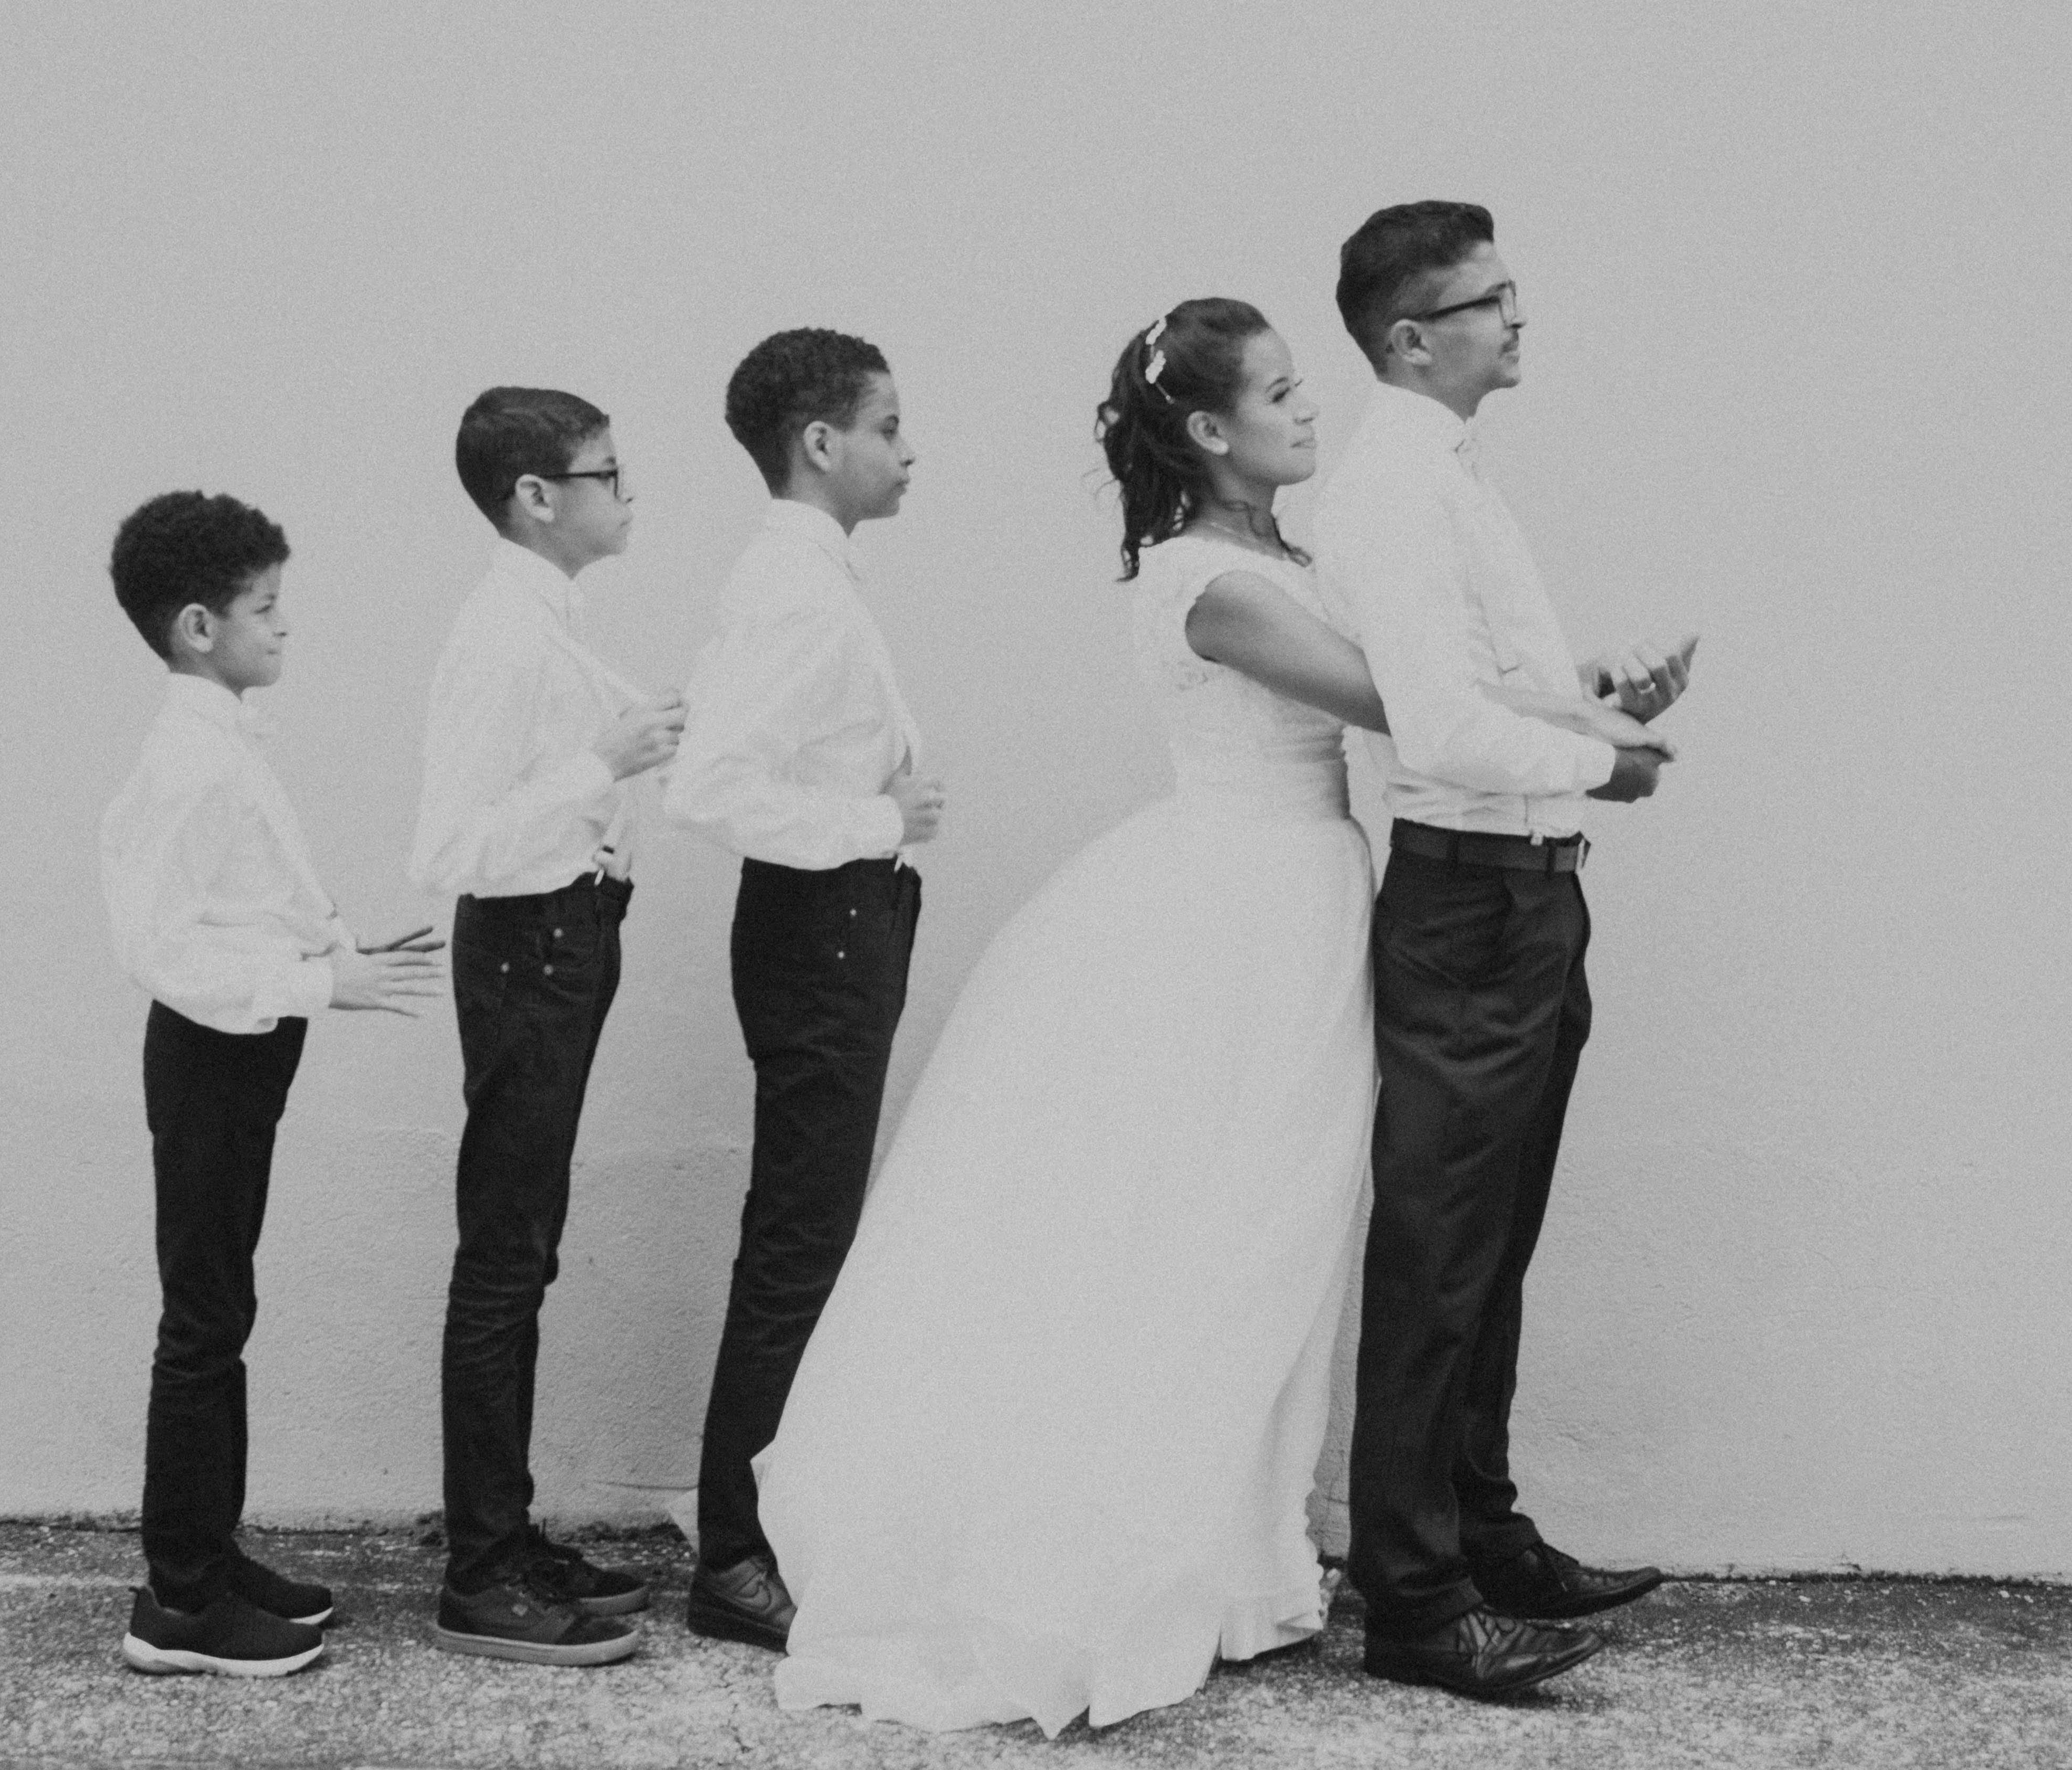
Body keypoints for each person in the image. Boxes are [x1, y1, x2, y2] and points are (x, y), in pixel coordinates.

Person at [753, 301, 1669, 1735]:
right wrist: (1589, 752)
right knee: (1205, 1230)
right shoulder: (1205, 582)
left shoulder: (1285, 554)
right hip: (1231, 914)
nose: (1309, 412)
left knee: (1273, 1238)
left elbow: (1438, 673)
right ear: (1205, 430)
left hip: (1306, 898)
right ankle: (1128, 1549)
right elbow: (1393, 701)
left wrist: (1588, 697)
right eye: (1282, 394)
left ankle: (1246, 1556)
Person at [1315, 201, 1695, 1700]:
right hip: (1469, 901)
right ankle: (1413, 1599)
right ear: (1413, 337)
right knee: (1439, 1251)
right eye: (1488, 299)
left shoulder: (1450, 474)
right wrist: (1603, 763)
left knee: (1497, 1239)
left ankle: (1478, 1531)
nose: (1518, 316)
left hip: (1526, 894)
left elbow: (1483, 684)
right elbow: (1432, 725)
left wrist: (1590, 688)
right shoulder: (1393, 490)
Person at [101, 490, 444, 1677]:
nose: (285, 627)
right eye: (265, 608)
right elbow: (161, 945)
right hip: (209, 1051)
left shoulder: (226, 742)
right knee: (201, 1321)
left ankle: (208, 1548)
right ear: (199, 627)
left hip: (240, 1050)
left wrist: (339, 953)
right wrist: (315, 982)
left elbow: (259, 895)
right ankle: (180, 1605)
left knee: (224, 1310)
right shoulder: (189, 760)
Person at [663, 327, 944, 1651]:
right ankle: (736, 1555)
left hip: (834, 924)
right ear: (821, 444)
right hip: (822, 928)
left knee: (808, 1239)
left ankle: (767, 1527)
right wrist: (875, 820)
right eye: (888, 426)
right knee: (797, 1243)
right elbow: (712, 786)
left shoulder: (805, 574)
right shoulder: (793, 585)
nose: (908, 449)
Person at [408, 388, 687, 1667]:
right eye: (607, 473)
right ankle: (481, 1570)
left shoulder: (550, 622)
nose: (627, 493)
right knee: (505, 1255)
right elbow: (453, 848)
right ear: (537, 497)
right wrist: (606, 765)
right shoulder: (504, 635)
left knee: (527, 1247)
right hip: (529, 948)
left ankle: (506, 1538)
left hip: (565, 942)